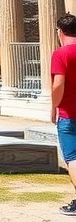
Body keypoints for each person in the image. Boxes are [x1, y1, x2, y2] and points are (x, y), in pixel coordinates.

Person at [51, 14, 76, 216]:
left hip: (69, 113)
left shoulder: (61, 53)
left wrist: (53, 107)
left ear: (60, 31)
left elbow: (58, 84)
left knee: (73, 158)